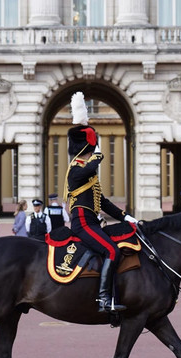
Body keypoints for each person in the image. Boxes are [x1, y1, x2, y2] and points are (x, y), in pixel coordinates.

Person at [64, 91, 138, 313]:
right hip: (82, 223)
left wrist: (125, 216)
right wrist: (96, 152)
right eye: (91, 150)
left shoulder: (87, 173)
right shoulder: (76, 170)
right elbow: (91, 166)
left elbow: (102, 202)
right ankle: (104, 300)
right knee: (112, 251)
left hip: (92, 222)